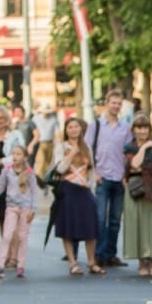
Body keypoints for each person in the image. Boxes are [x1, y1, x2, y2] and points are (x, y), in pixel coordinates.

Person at [84, 89, 133, 268]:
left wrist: (126, 175)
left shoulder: (125, 128)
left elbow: (129, 153)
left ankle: (111, 254)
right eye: (113, 102)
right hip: (102, 177)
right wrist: (93, 172)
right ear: (106, 103)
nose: (116, 106)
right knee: (99, 218)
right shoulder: (95, 126)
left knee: (114, 219)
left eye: (119, 103)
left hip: (119, 177)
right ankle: (98, 254)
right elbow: (87, 150)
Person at [54, 116, 106, 275]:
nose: (74, 130)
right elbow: (59, 169)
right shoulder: (61, 147)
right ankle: (73, 262)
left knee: (90, 227)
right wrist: (70, 155)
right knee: (68, 227)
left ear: (81, 129)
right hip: (68, 189)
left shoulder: (87, 147)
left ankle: (92, 262)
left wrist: (92, 188)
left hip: (84, 190)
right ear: (66, 130)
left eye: (76, 126)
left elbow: (91, 170)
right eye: (70, 127)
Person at [123, 112, 152, 276]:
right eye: (138, 128)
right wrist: (143, 147)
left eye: (144, 128)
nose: (142, 131)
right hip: (135, 190)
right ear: (134, 130)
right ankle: (142, 262)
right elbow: (134, 164)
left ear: (149, 129)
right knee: (138, 225)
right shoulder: (129, 147)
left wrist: (141, 168)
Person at [0, 145, 38, 279]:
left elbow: (34, 192)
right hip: (11, 207)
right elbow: (0, 187)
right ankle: (0, 264)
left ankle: (21, 265)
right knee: (7, 235)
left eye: (18, 154)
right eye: (13, 154)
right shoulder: (7, 170)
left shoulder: (29, 172)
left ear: (24, 157)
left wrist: (33, 210)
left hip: (25, 208)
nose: (15, 157)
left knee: (22, 236)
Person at [31, 100, 60, 181]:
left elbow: (57, 133)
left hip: (50, 142)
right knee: (41, 162)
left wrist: (59, 145)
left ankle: (45, 179)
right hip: (40, 143)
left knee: (48, 162)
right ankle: (39, 181)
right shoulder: (35, 119)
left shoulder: (53, 119)